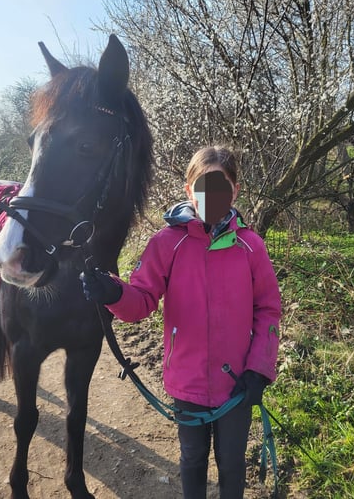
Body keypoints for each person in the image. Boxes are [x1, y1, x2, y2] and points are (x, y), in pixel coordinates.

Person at [81, 145, 282, 498]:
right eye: (203, 186)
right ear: (189, 191)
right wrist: (113, 293)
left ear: (235, 191)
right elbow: (141, 301)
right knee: (192, 460)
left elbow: (268, 309)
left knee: (232, 462)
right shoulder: (166, 244)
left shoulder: (251, 246)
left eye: (221, 186)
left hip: (237, 384)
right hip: (187, 383)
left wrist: (259, 368)